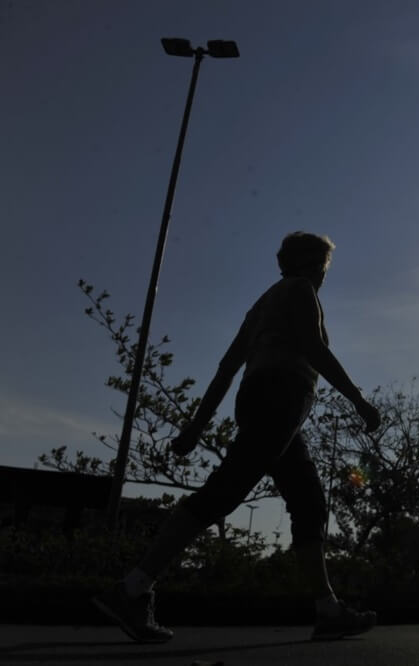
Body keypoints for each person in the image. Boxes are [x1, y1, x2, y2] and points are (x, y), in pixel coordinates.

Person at [92, 232, 381, 643]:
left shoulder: (263, 303)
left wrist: (196, 427)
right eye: (325, 266)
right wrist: (358, 400)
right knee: (223, 492)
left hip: (264, 402)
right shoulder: (300, 291)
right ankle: (132, 588)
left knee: (308, 502)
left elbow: (226, 368)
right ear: (318, 265)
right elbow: (314, 349)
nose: (324, 273)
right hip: (281, 400)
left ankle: (327, 609)